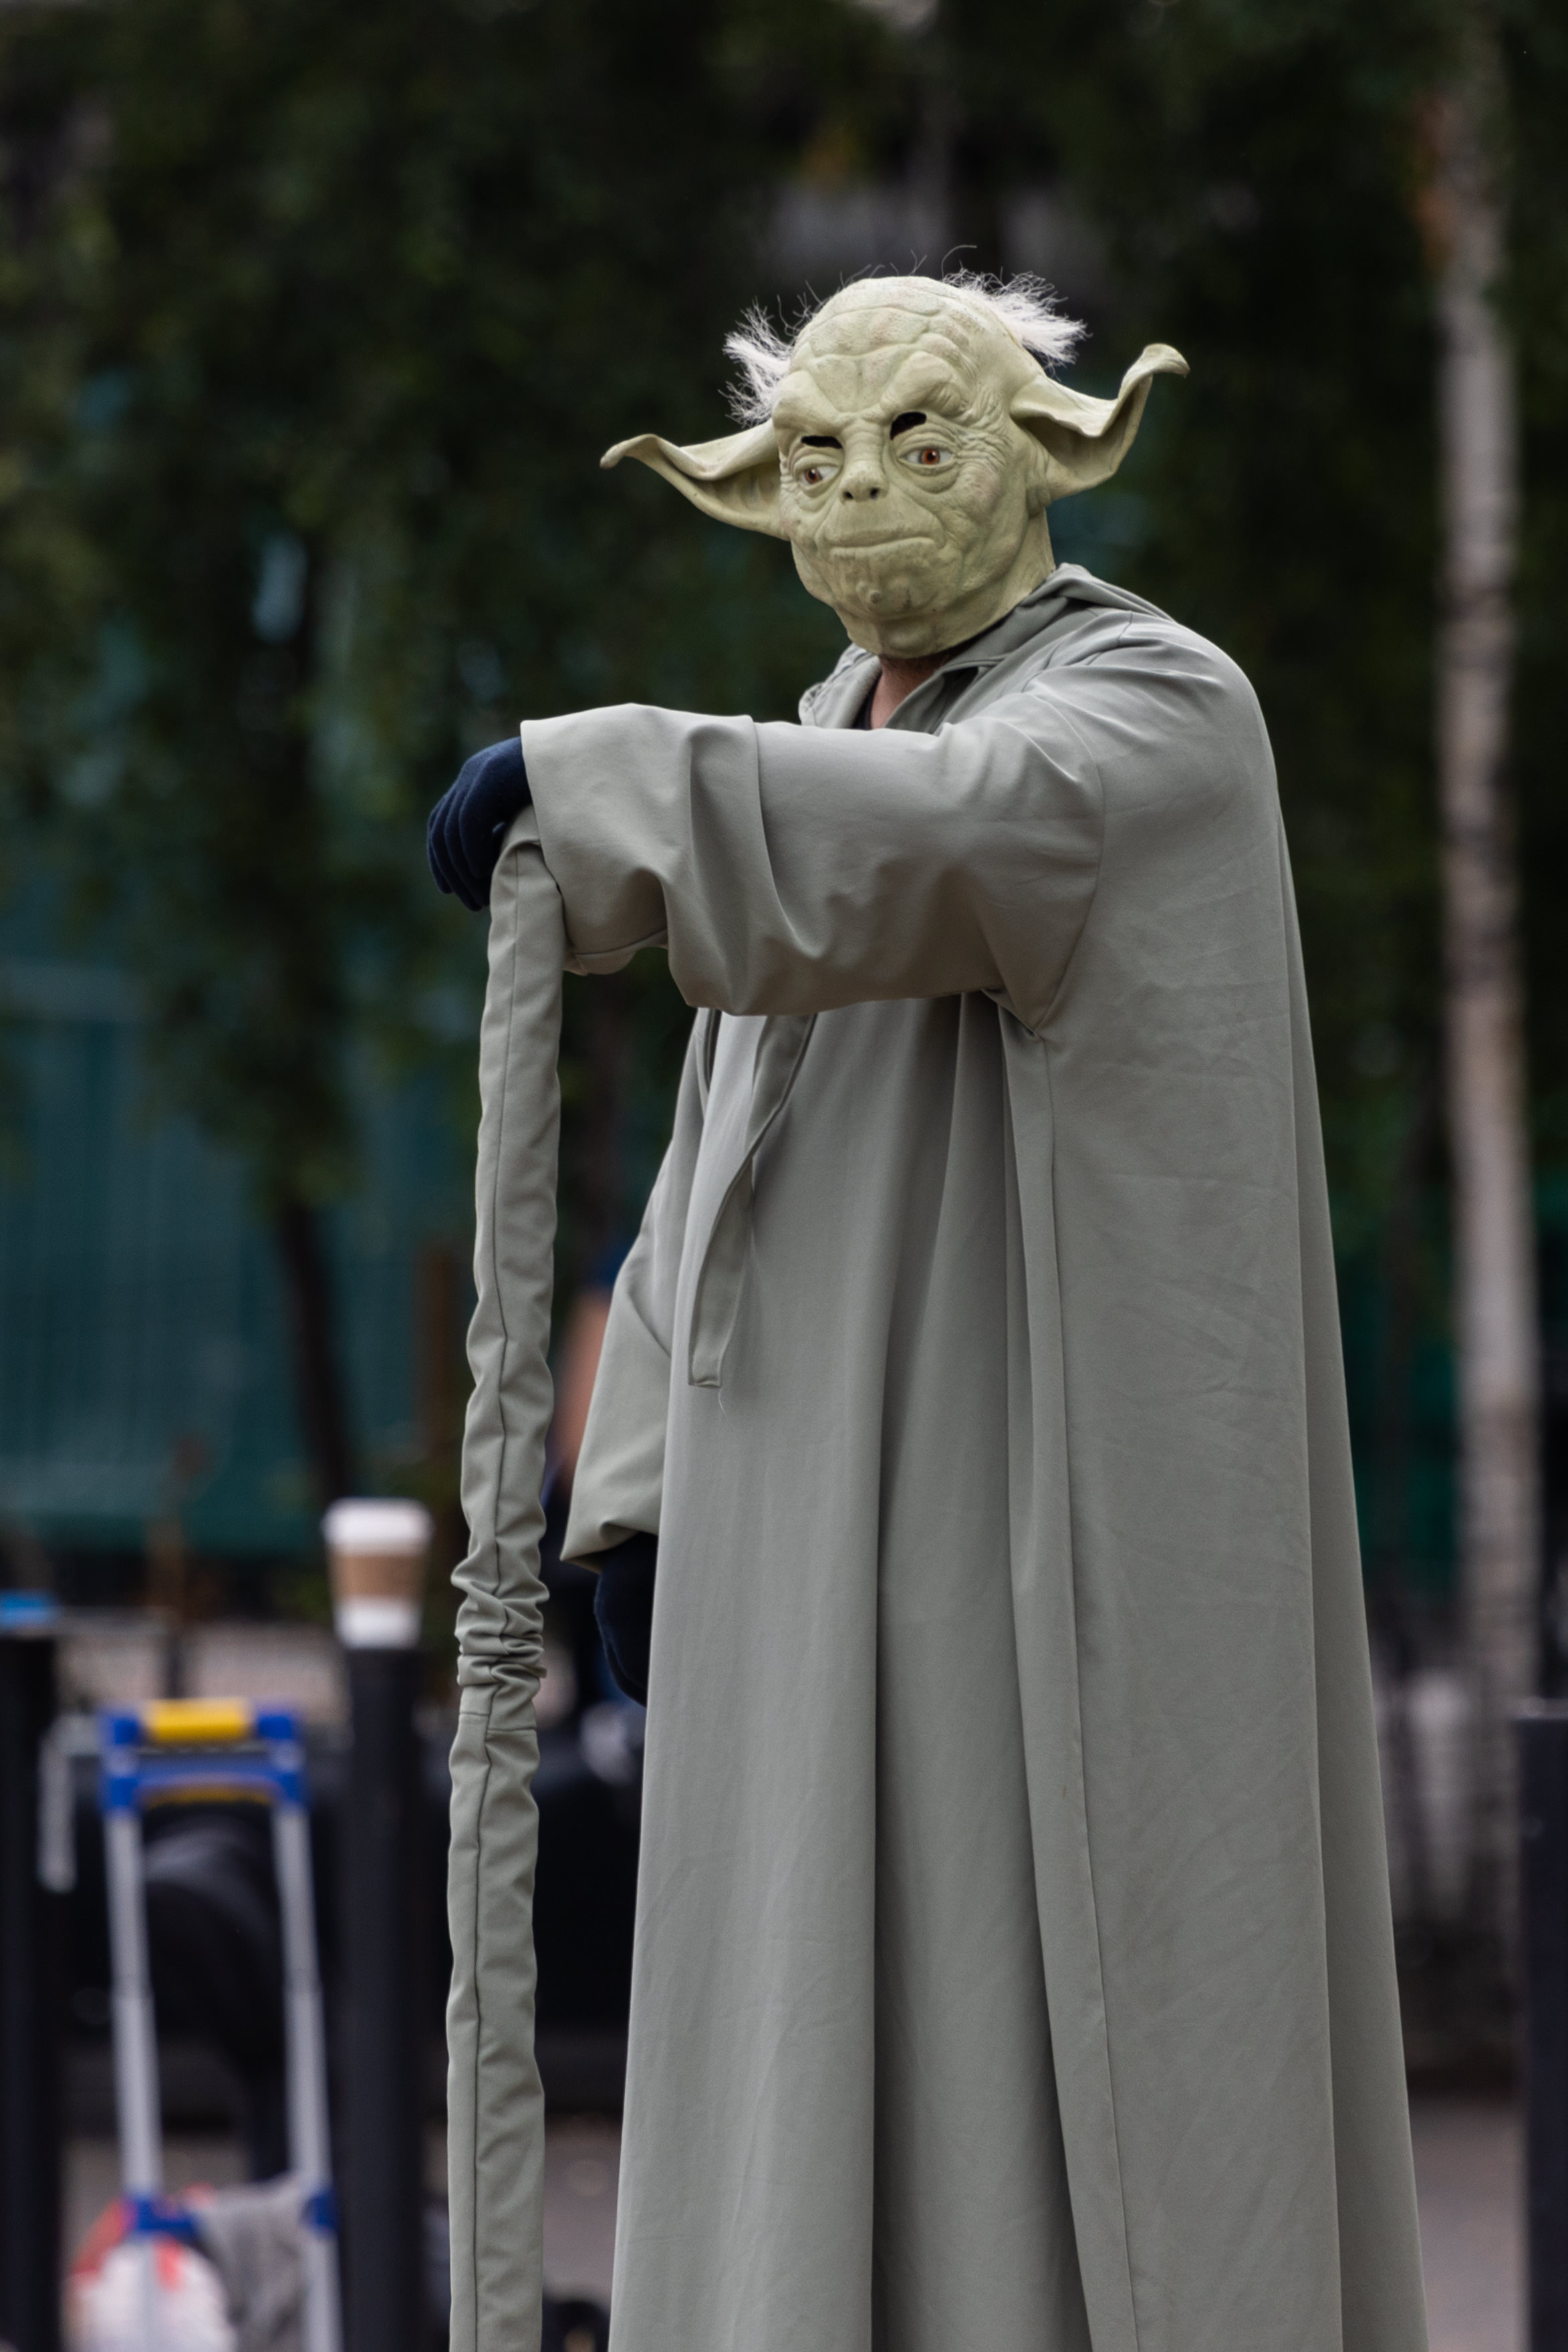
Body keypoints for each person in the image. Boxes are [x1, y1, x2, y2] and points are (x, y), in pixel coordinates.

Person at [432, 273, 1428, 2352]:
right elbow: (715, 1159)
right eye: (816, 457)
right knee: (788, 2051)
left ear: (1046, 453)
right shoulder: (824, 743)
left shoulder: (1147, 709)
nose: (864, 495)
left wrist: (607, 789)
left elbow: (968, 840)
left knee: (1012, 2033)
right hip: (789, 1547)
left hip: (1011, 1555)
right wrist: (635, 1497)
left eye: (919, 441)